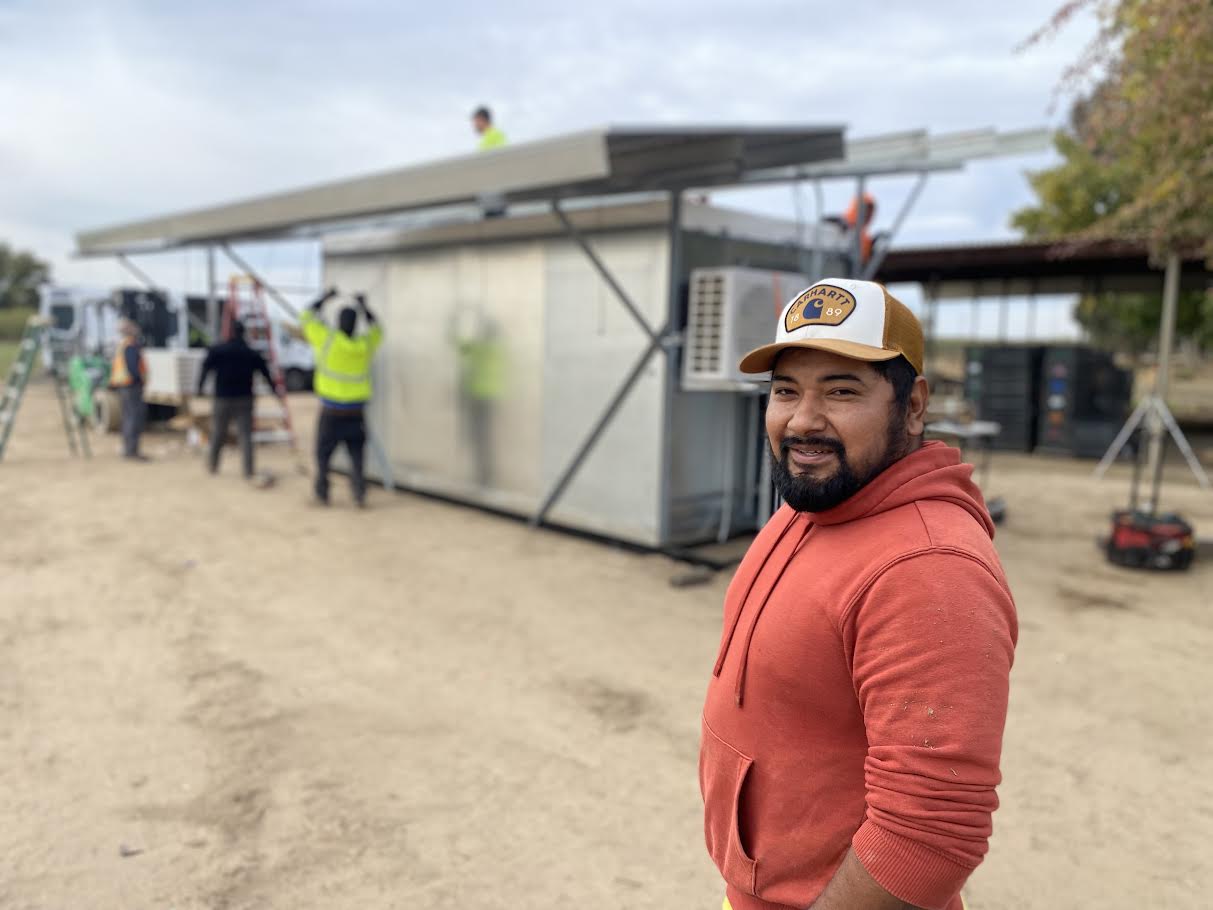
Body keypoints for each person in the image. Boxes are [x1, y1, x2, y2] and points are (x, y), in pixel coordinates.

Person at [700, 278, 1017, 910]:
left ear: (914, 406)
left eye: (842, 391)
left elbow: (928, 836)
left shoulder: (929, 568)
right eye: (786, 391)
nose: (803, 421)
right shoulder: (821, 497)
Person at [300, 288, 383, 507]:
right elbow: (378, 329)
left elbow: (306, 316)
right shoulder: (364, 346)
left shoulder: (327, 341)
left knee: (323, 455)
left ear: (338, 322)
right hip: (356, 413)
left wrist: (325, 299)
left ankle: (322, 494)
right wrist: (365, 307)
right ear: (356, 324)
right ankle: (359, 494)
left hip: (331, 412)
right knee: (357, 456)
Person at [196, 319, 278, 479]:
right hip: (245, 399)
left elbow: (205, 369)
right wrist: (275, 391)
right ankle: (248, 470)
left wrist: (199, 388)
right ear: (244, 333)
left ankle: (213, 465)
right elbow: (266, 374)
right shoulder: (251, 353)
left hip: (222, 398)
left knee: (218, 432)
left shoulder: (218, 351)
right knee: (246, 435)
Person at [110, 317, 147, 461]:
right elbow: (133, 367)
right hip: (131, 385)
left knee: (127, 417)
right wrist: (140, 380)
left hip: (124, 385)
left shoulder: (123, 344)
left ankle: (128, 450)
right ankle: (132, 451)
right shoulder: (130, 345)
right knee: (133, 417)